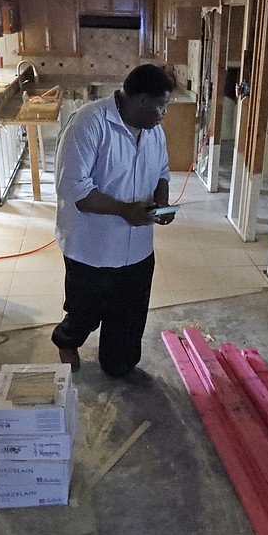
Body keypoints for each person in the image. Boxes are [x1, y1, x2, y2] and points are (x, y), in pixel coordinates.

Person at [50, 64, 176, 381]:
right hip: (92, 249)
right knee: (84, 313)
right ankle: (66, 340)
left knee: (125, 340)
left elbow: (161, 171)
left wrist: (161, 201)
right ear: (141, 101)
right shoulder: (88, 124)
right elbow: (74, 190)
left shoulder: (152, 131)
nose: (164, 113)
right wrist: (124, 211)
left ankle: (117, 356)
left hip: (137, 251)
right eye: (161, 105)